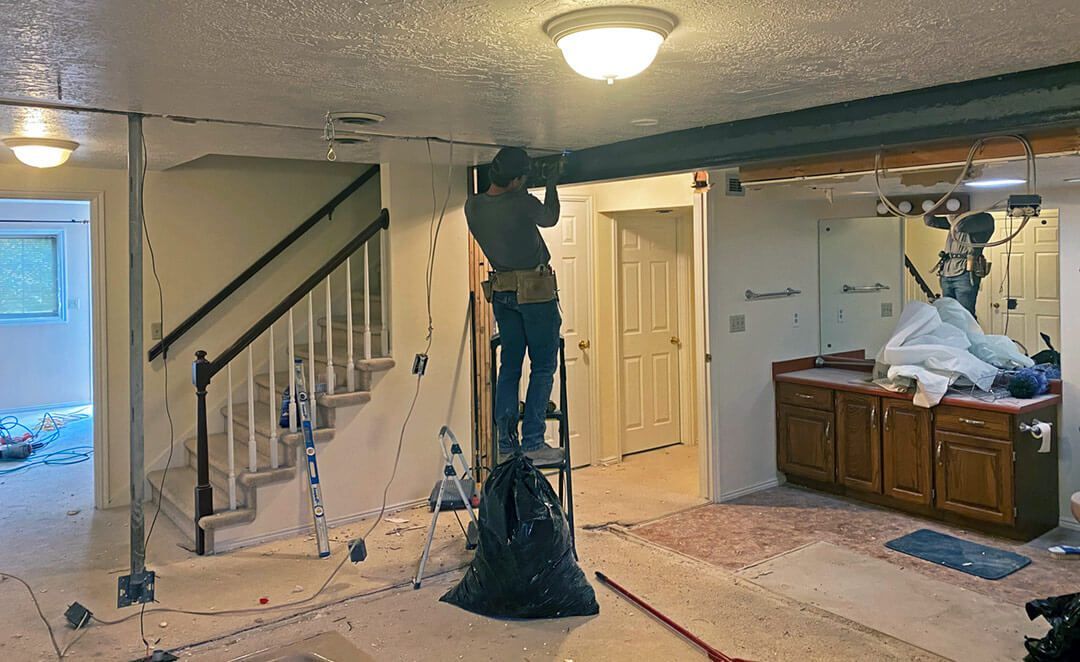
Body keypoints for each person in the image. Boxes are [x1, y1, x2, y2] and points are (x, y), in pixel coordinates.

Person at [466, 147, 564, 466]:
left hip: (503, 290)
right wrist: (551, 182)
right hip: (535, 291)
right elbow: (549, 217)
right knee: (543, 365)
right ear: (516, 180)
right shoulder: (520, 202)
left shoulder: (473, 205)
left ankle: (506, 444)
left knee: (510, 366)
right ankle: (534, 441)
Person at [924, 211, 995, 317]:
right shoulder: (958, 221)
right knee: (948, 315)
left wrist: (951, 208)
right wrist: (931, 208)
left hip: (964, 274)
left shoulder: (984, 219)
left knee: (965, 316)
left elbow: (960, 226)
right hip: (947, 272)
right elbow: (930, 221)